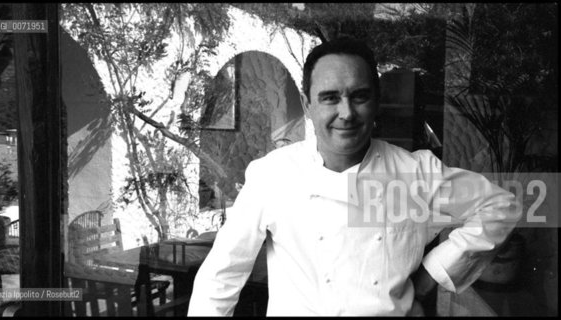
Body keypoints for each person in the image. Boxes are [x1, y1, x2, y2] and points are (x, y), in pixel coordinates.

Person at [187, 37, 520, 316]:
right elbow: (221, 278)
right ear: (307, 106)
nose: (346, 113)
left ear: (376, 102)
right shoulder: (273, 175)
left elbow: (501, 207)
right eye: (330, 98)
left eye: (359, 96)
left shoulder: (415, 172)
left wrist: (433, 272)